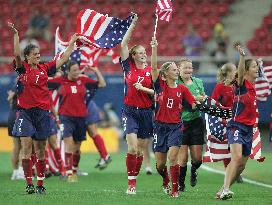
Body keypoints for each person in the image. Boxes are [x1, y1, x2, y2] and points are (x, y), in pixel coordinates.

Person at [9, 22, 78, 194]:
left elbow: (63, 58)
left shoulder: (45, 68)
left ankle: (40, 184)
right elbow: (16, 53)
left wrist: (72, 43)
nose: (38, 56)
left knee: (40, 150)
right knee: (26, 148)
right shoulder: (21, 69)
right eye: (35, 54)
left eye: (39, 54)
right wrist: (16, 35)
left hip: (42, 114)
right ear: (27, 57)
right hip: (25, 113)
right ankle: (29, 183)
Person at [151, 37, 196, 198]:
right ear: (166, 73)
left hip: (176, 127)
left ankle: (175, 189)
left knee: (172, 158)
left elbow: (192, 102)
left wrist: (196, 104)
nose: (177, 70)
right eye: (174, 69)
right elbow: (153, 69)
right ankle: (165, 180)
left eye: (177, 68)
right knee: (160, 164)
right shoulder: (160, 86)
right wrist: (154, 48)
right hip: (159, 127)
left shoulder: (183, 89)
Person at [48, 62, 106, 182]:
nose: (77, 72)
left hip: (81, 118)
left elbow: (102, 84)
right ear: (68, 71)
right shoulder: (60, 81)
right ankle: (69, 173)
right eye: (74, 70)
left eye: (78, 70)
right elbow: (43, 83)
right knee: (68, 144)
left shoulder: (83, 81)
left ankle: (74, 169)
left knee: (77, 148)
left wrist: (96, 71)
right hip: (65, 118)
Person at [217, 44, 259, 200]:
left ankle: (222, 189)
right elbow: (240, 74)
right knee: (236, 158)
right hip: (236, 126)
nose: (257, 68)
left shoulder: (253, 87)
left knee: (241, 165)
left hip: (249, 128)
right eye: (254, 66)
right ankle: (226, 190)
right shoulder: (241, 85)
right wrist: (242, 57)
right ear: (246, 70)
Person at [120, 14, 154, 194]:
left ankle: (135, 177)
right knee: (132, 147)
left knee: (141, 151)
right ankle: (131, 184)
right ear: (133, 56)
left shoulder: (151, 71)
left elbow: (159, 94)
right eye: (140, 53)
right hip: (130, 111)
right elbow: (123, 44)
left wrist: (144, 89)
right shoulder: (128, 67)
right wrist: (133, 24)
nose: (143, 55)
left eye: (144, 52)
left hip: (147, 112)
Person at [177, 58, 206, 192]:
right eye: (185, 68)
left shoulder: (198, 82)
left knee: (197, 158)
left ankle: (194, 171)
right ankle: (180, 185)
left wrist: (202, 99)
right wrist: (195, 99)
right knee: (182, 158)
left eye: (190, 68)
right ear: (179, 69)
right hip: (181, 123)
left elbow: (203, 98)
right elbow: (181, 100)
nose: (188, 70)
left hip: (196, 122)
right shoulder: (175, 83)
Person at [86, 99, 112, 170]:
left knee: (92, 133)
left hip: (85, 105)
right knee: (93, 133)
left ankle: (73, 168)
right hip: (86, 105)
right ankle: (105, 155)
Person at [7, 88, 24, 180]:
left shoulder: (15, 86)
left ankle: (15, 172)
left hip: (13, 114)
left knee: (16, 146)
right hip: (21, 115)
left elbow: (9, 99)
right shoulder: (26, 84)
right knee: (24, 145)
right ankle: (21, 172)